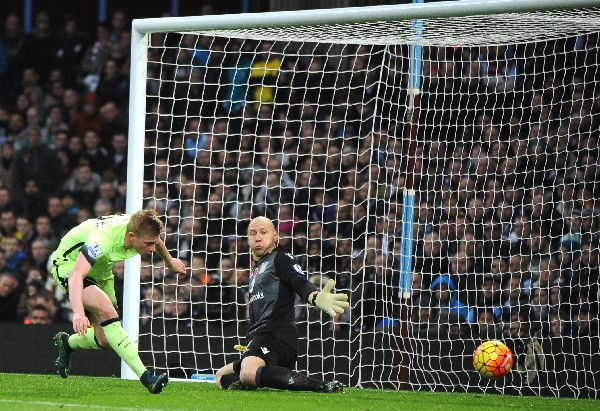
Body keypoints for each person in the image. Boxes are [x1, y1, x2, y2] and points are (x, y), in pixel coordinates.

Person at [50, 210, 186, 394]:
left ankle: (68, 343)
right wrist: (79, 313)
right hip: (70, 266)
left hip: (101, 271)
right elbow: (76, 275)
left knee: (105, 339)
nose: (152, 248)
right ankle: (147, 378)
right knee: (108, 312)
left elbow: (156, 240)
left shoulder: (140, 231)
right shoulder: (102, 239)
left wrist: (170, 263)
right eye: (148, 244)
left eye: (153, 242)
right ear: (131, 236)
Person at [215, 216, 348, 393]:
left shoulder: (280, 257)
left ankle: (319, 385)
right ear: (248, 239)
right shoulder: (256, 268)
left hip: (276, 334)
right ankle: (267, 377)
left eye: (264, 232)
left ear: (275, 236)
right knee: (221, 377)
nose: (258, 237)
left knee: (246, 373)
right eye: (253, 233)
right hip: (259, 338)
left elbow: (299, 282)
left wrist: (315, 297)